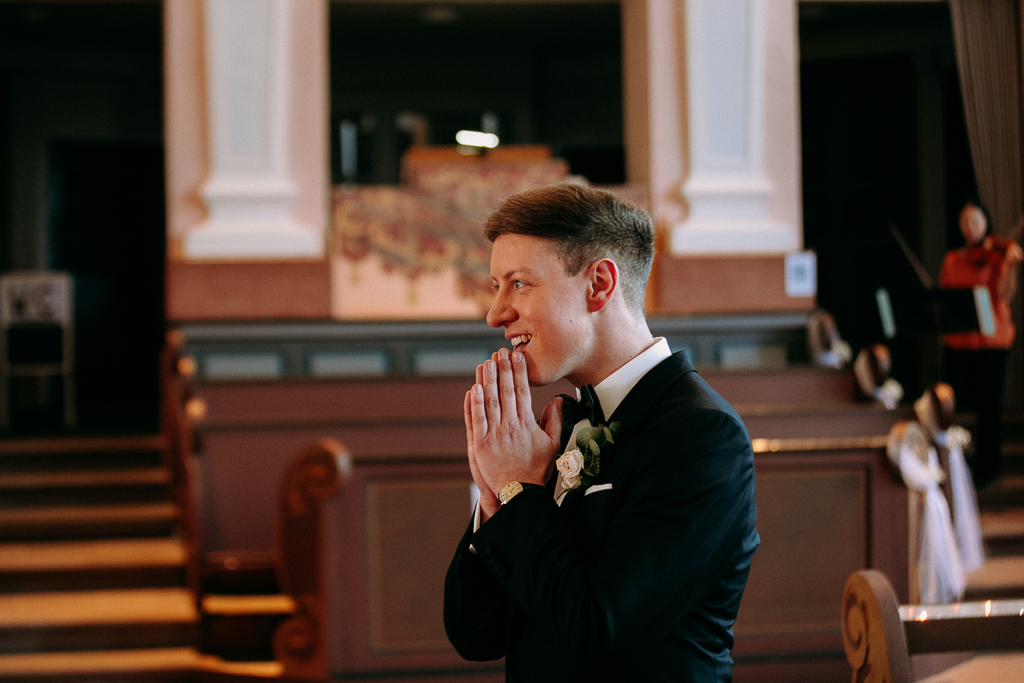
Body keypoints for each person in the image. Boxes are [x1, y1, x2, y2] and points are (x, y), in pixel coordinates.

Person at [443, 184, 760, 682]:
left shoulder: (702, 435)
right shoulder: (560, 427)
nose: (496, 313)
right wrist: (494, 499)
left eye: (520, 284)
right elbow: (475, 633)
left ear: (599, 285)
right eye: (497, 286)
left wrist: (518, 489)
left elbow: (599, 631)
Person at [939, 200, 1022, 489]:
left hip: (991, 340)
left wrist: (1010, 266)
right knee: (949, 403)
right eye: (964, 221)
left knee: (989, 407)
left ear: (986, 222)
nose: (970, 226)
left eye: (975, 220)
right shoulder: (952, 259)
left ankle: (988, 468)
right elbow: (947, 301)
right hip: (959, 341)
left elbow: (1005, 294)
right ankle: (953, 463)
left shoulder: (999, 255)